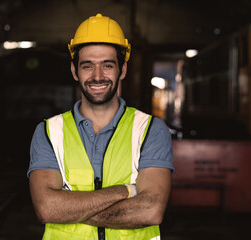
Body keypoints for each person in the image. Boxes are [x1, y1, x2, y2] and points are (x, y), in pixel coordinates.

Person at [27, 13, 174, 240]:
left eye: (107, 65)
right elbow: (47, 209)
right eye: (87, 66)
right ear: (75, 71)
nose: (97, 76)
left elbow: (151, 211)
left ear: (122, 70)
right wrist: (124, 191)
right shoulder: (48, 132)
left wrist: (68, 207)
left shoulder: (150, 130)